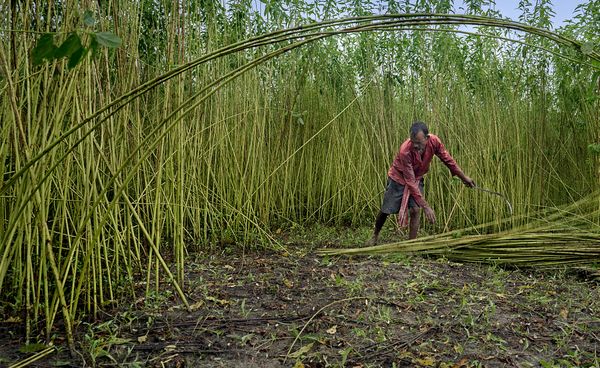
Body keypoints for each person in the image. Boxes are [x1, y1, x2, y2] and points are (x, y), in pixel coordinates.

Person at [365, 121, 475, 246]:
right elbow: (410, 182)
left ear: (427, 138)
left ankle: (411, 245)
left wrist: (463, 177)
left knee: (416, 210)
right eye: (413, 142)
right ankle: (375, 235)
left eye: (418, 142)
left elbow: (448, 160)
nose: (415, 146)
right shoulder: (405, 151)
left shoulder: (434, 142)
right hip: (398, 178)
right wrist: (426, 206)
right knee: (386, 209)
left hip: (417, 177)